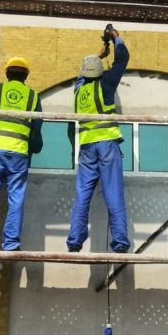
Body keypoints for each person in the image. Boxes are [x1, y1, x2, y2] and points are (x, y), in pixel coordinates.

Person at [67, 26, 131, 253]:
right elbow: (122, 60)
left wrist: (97, 55)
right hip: (106, 145)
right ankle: (120, 242)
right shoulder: (106, 85)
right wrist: (116, 39)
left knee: (82, 195)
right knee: (113, 194)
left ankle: (74, 241)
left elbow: (80, 76)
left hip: (86, 148)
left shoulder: (78, 90)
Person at [0, 56, 43, 251]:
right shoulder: (32, 96)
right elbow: (37, 130)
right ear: (26, 76)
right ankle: (11, 243)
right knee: (16, 200)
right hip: (18, 154)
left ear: (7, 74)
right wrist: (35, 147)